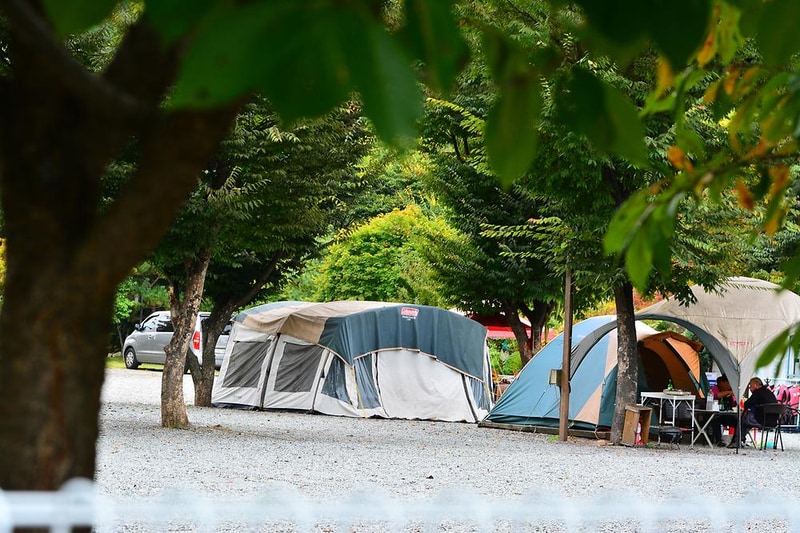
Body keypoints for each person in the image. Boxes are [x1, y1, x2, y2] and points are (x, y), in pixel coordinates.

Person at [724, 377, 778, 448]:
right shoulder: (768, 392)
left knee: (743, 419)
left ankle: (736, 441)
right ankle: (740, 440)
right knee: (746, 419)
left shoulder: (758, 393)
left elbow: (747, 404)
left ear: (755, 385)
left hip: (762, 420)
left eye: (750, 386)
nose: (749, 388)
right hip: (773, 422)